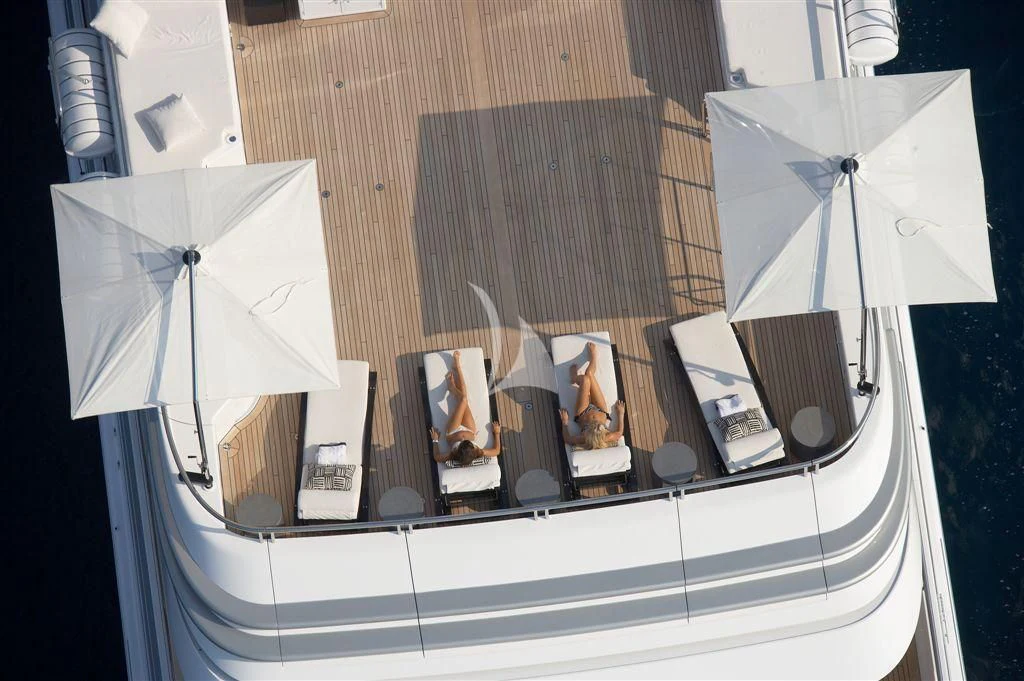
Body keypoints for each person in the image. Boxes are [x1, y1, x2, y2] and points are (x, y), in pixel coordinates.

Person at [430, 350, 501, 466]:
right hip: (470, 429)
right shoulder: (478, 451)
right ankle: (455, 377)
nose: (462, 439)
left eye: (461, 442)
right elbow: (496, 451)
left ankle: (455, 372)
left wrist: (435, 440)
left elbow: (437, 457)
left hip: (453, 430)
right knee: (463, 399)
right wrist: (497, 433)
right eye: (467, 442)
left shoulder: (452, 454)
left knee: (463, 399)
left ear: (458, 450)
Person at [559, 341, 626, 450]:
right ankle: (594, 357)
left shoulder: (584, 438)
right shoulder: (606, 437)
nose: (596, 424)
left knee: (585, 380)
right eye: (600, 427)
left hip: (583, 412)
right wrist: (621, 413)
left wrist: (565, 422)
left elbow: (567, 439)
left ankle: (574, 378)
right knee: (589, 373)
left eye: (594, 427)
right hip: (601, 410)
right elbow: (619, 433)